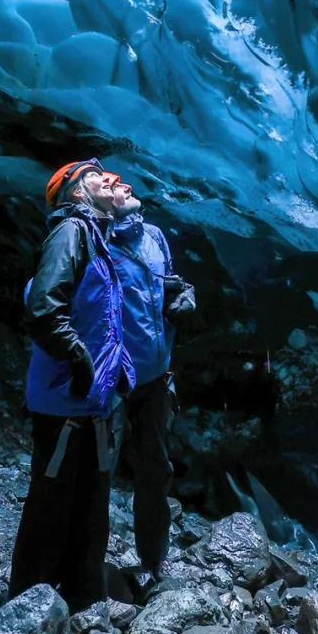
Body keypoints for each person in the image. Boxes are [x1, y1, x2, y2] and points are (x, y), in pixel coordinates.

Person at [8, 158, 135, 611]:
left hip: (88, 403)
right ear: (76, 193)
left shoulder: (96, 239)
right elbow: (44, 310)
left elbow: (100, 318)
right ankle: (27, 608)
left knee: (88, 501)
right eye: (92, 176)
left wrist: (112, 372)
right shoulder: (71, 233)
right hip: (65, 401)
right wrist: (81, 361)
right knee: (52, 502)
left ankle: (80, 599)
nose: (106, 178)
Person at [109, 175, 195, 578]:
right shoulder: (98, 243)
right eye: (112, 185)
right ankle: (84, 564)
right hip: (114, 383)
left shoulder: (154, 237)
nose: (123, 185)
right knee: (97, 471)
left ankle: (154, 561)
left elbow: (170, 284)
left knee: (155, 469)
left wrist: (184, 296)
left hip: (157, 378)